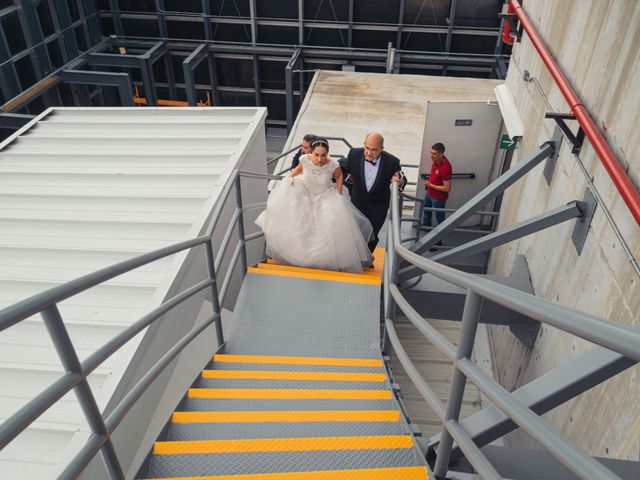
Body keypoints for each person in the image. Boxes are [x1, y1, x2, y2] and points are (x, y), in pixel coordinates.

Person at [256, 138, 374, 273]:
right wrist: (289, 180)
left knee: (328, 225)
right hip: (305, 194)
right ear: (311, 152)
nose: (320, 159)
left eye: (323, 155)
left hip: (325, 196)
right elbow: (296, 171)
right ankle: (300, 257)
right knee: (303, 226)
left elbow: (340, 175)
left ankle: (322, 260)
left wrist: (339, 192)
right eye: (317, 154)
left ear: (328, 153)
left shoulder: (332, 165)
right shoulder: (304, 160)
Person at [340, 132, 405, 252]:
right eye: (367, 148)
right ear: (364, 144)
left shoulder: (392, 161)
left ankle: (367, 260)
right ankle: (353, 258)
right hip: (356, 203)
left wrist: (399, 181)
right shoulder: (354, 154)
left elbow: (401, 176)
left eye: (374, 149)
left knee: (372, 235)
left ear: (382, 149)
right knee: (353, 232)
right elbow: (341, 168)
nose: (369, 153)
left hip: (378, 206)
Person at [421, 142, 452, 228]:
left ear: (441, 154)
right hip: (429, 192)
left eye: (434, 153)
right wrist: (430, 184)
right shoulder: (436, 161)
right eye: (431, 152)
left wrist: (431, 185)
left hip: (438, 198)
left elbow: (447, 188)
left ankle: (439, 237)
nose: (431, 155)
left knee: (439, 216)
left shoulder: (446, 167)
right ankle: (426, 227)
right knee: (426, 210)